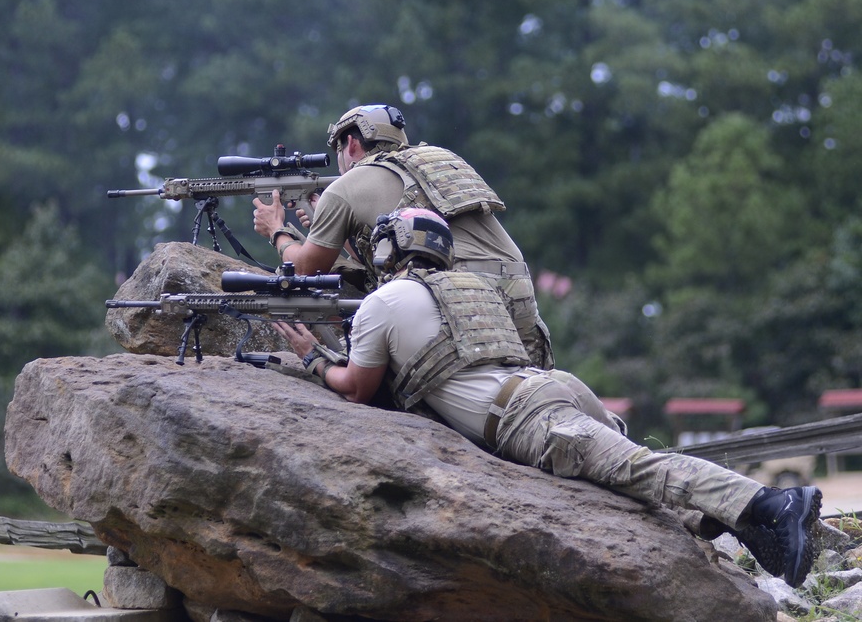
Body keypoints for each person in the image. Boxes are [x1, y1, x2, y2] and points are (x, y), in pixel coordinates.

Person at [273, 207, 823, 588]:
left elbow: (358, 389)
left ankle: (775, 505)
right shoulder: (475, 288)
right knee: (632, 488)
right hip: (557, 388)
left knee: (642, 471)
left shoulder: (385, 301)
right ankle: (755, 534)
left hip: (524, 416)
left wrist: (314, 357)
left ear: (392, 247)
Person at [253, 104, 554, 369]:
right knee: (525, 392)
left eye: (339, 152)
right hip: (517, 288)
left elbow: (306, 269)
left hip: (457, 294)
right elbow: (393, 250)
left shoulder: (346, 187)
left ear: (352, 144)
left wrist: (276, 230)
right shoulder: (437, 160)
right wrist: (337, 230)